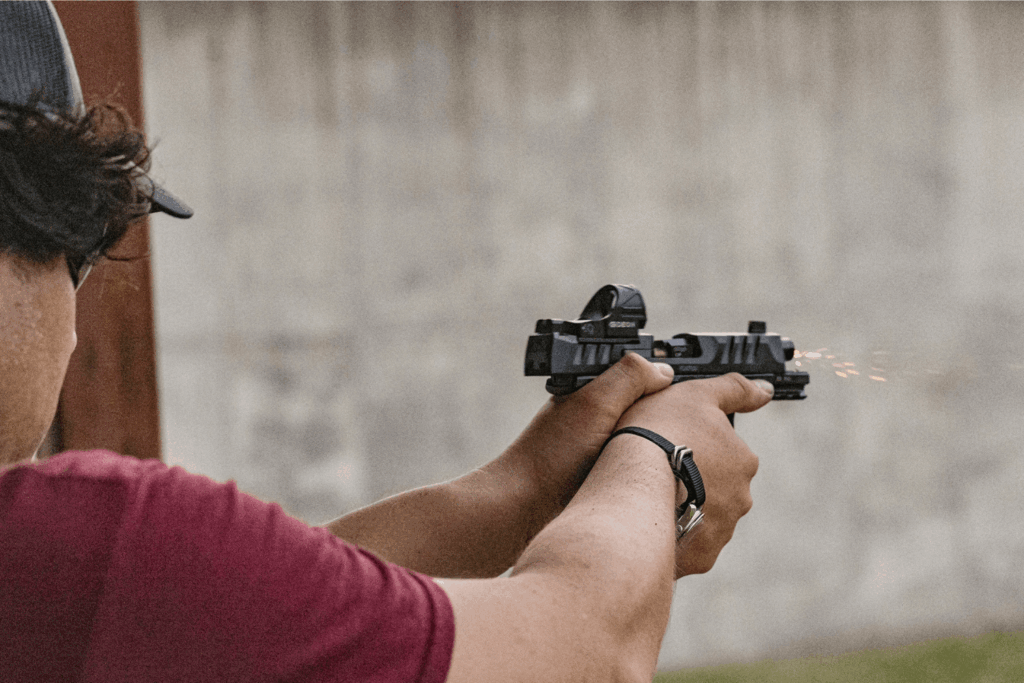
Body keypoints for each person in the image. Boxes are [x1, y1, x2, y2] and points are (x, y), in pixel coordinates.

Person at [0, 3, 773, 681]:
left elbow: (238, 615)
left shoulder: (57, 585)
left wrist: (527, 486)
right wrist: (660, 459)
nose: (74, 312)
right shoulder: (82, 548)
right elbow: (587, 655)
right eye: (75, 237)